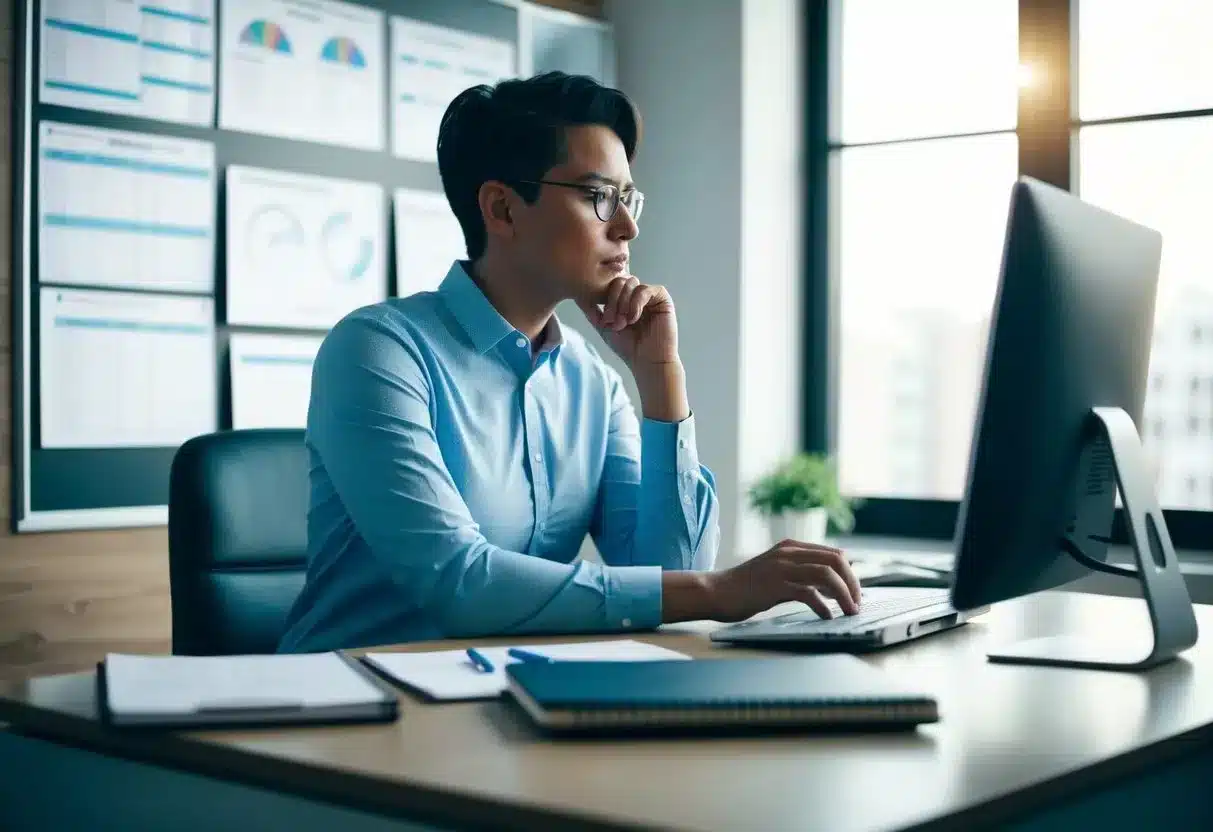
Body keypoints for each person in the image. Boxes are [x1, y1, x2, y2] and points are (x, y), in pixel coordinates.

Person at [277, 72, 860, 653]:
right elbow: (458, 583)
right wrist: (718, 590)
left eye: (628, 198)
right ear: (502, 209)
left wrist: (660, 378)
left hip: (507, 703)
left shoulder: (591, 381)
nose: (628, 225)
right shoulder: (378, 352)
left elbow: (669, 567)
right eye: (598, 196)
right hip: (346, 709)